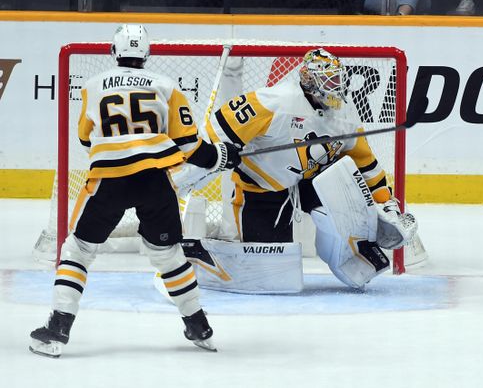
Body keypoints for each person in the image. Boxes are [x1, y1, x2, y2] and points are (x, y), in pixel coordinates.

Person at [29, 24, 240, 357]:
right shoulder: (166, 86)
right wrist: (221, 156)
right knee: (168, 255)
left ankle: (57, 330)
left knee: (79, 250)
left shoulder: (93, 85)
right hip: (155, 181)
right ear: (147, 54)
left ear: (113, 52)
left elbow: (86, 138)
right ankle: (198, 326)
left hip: (108, 179)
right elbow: (189, 145)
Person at [175, 48, 418, 292]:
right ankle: (196, 254)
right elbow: (216, 130)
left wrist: (385, 204)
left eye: (339, 79)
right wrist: (199, 166)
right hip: (262, 186)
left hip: (313, 183)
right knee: (271, 275)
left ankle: (356, 252)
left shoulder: (345, 114)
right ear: (310, 80)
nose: (337, 87)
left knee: (345, 180)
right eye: (330, 80)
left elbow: (367, 165)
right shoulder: (275, 102)